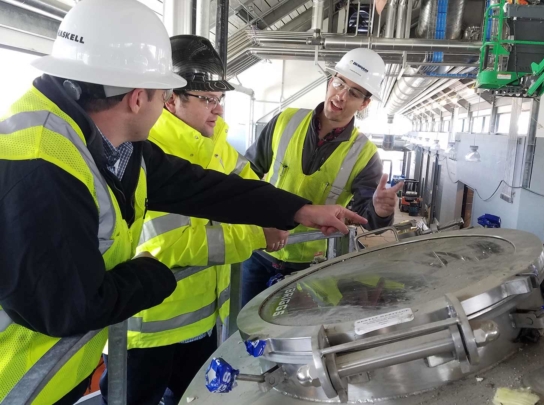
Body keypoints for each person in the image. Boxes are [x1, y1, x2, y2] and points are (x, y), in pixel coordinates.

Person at [0, 1, 366, 404]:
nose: (166, 107)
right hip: (19, 383)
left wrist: (299, 210)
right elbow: (69, 308)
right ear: (139, 98)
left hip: (52, 373)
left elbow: (200, 187)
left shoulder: (109, 145)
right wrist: (154, 273)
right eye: (164, 95)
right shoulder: (41, 163)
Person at [98, 35, 289, 405]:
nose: (218, 110)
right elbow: (169, 242)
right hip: (146, 330)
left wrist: (284, 212)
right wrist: (256, 236)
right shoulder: (146, 150)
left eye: (220, 100)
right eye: (207, 100)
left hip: (201, 323)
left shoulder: (215, 142)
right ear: (170, 98)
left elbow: (251, 190)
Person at [241, 48, 404, 307]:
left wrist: (380, 210)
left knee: (296, 341)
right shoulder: (285, 120)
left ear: (364, 103)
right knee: (247, 335)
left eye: (354, 92)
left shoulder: (365, 154)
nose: (341, 95)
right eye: (339, 83)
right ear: (330, 81)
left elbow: (369, 221)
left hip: (310, 264)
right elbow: (247, 174)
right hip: (259, 249)